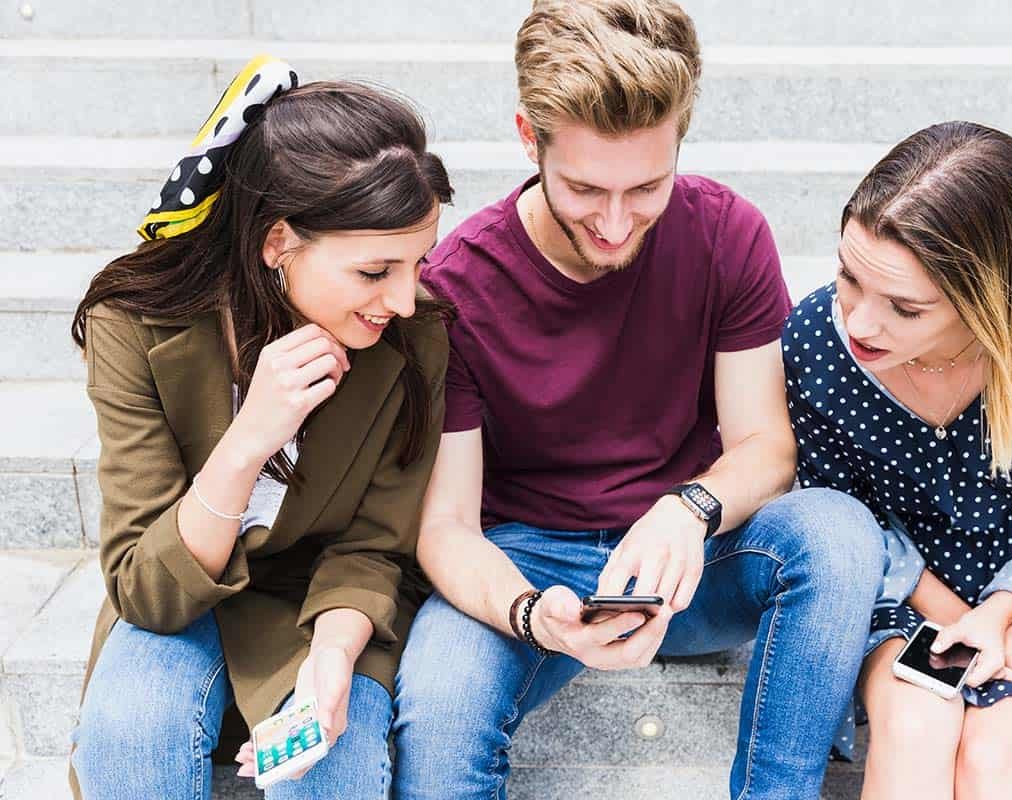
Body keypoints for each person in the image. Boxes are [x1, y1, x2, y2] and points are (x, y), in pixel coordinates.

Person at [390, 2, 886, 798]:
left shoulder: (727, 234)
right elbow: (445, 529)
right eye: (586, 188)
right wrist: (527, 613)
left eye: (647, 187)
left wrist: (686, 509)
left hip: (694, 558)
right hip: (525, 560)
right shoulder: (456, 286)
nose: (617, 224)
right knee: (440, 712)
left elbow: (765, 446)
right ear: (528, 138)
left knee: (838, 535)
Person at [67, 55, 452, 800]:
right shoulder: (135, 325)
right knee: (128, 734)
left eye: (419, 262)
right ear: (277, 242)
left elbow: (375, 548)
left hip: (320, 612)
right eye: (376, 272)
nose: (406, 299)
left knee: (334, 769)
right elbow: (147, 589)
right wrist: (250, 440)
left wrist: (334, 662)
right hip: (178, 603)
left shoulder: (417, 339)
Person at [783, 120, 1012, 800]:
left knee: (991, 759)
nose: (861, 323)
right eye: (848, 277)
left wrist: (1004, 615)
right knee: (914, 724)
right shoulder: (817, 340)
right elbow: (844, 514)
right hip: (899, 588)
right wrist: (965, 620)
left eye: (905, 307)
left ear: (987, 296)